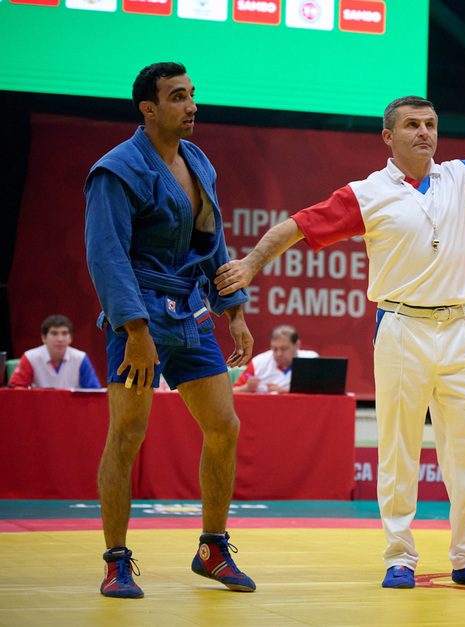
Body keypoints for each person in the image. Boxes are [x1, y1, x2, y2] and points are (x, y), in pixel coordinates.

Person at [214, 84, 465, 589]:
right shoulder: (366, 194)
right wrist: (252, 263)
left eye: (430, 125)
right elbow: (297, 226)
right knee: (398, 450)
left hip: (461, 329)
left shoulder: (462, 178)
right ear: (388, 137)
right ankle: (399, 558)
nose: (424, 132)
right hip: (402, 328)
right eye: (412, 125)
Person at [84, 62, 256, 599]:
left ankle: (212, 549)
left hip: (190, 311)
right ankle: (116, 561)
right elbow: (107, 256)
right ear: (149, 108)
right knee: (128, 434)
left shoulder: (197, 161)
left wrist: (234, 311)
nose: (191, 105)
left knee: (224, 426)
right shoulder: (115, 170)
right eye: (178, 97)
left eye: (191, 95)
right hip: (140, 315)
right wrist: (135, 331)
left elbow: (213, 242)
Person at [8, 314, 102, 389]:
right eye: (54, 333)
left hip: (70, 406)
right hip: (38, 406)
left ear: (70, 338)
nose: (60, 339)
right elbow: (15, 389)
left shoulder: (80, 358)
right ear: (44, 338)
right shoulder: (30, 357)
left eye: (64, 333)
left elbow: (94, 391)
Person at [232, 324, 319, 393]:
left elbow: (321, 390)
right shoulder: (258, 362)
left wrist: (284, 390)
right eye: (275, 349)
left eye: (284, 349)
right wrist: (247, 388)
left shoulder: (311, 360)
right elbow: (232, 391)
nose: (279, 354)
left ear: (297, 345)